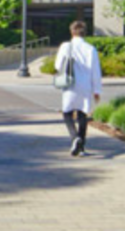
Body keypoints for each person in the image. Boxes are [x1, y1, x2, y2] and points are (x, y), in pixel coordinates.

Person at [55, 20, 102, 157]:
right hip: (85, 85)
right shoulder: (90, 49)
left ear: (72, 32)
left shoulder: (65, 46)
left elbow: (58, 66)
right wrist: (97, 90)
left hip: (70, 83)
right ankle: (81, 147)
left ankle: (74, 137)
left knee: (67, 113)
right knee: (82, 114)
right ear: (84, 33)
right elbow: (95, 71)